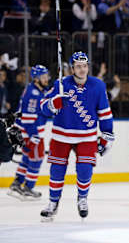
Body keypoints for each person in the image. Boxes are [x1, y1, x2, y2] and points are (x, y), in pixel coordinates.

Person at [39, 52, 114, 221]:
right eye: (78, 66)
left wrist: (107, 135)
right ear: (72, 68)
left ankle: (82, 199)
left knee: (85, 169)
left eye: (85, 66)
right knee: (56, 170)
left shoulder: (98, 86)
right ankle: (53, 203)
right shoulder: (60, 84)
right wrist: (53, 103)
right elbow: (42, 107)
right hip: (61, 135)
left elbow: (105, 113)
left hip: (86, 136)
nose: (82, 70)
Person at [8, 65, 50, 200]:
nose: (46, 79)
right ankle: (28, 187)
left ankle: (17, 182)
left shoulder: (38, 90)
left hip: (29, 132)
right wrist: (34, 135)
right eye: (43, 77)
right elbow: (28, 118)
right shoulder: (33, 94)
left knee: (27, 157)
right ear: (36, 79)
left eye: (46, 76)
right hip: (32, 132)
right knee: (36, 158)